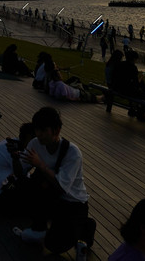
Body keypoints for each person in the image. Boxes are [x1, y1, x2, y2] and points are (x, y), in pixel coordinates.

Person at [14, 107, 96, 257]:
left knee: (55, 245)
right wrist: (15, 158)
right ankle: (40, 227)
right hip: (52, 198)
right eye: (37, 129)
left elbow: (62, 187)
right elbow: (21, 173)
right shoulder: (35, 143)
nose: (39, 134)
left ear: (56, 130)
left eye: (44, 130)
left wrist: (41, 165)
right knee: (25, 186)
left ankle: (86, 226)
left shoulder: (72, 152)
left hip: (73, 203)